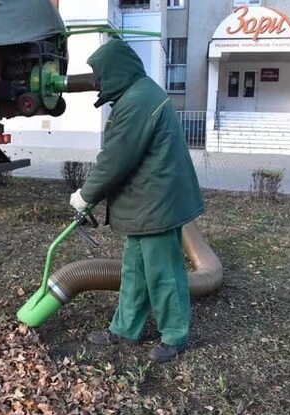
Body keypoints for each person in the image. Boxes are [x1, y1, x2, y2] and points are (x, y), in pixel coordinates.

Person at [69, 38, 204, 363]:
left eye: (100, 75)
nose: (96, 83)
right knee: (135, 271)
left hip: (157, 203)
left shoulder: (139, 100)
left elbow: (116, 157)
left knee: (163, 272)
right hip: (147, 202)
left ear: (116, 70)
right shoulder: (138, 94)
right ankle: (126, 329)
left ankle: (175, 335)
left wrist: (85, 195)